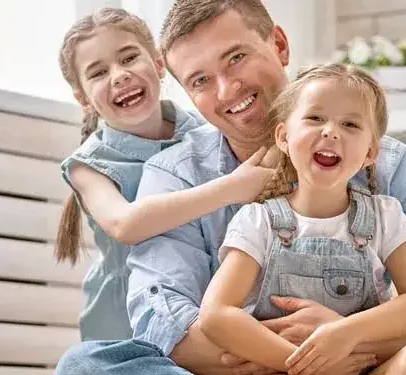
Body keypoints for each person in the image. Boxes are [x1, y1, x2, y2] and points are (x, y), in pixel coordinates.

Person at [55, 1, 406, 374]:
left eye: (236, 58)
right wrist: (306, 360)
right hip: (245, 367)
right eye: (201, 81)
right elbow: (170, 328)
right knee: (91, 366)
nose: (227, 91)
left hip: (374, 362)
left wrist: (343, 341)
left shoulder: (391, 164)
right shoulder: (175, 174)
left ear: (278, 45)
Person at [199, 63, 406, 375]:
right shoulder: (259, 220)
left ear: (370, 152)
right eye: (315, 118)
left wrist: (345, 333)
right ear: (284, 137)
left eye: (351, 125)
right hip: (286, 368)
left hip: (355, 366)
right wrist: (308, 364)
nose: (330, 131)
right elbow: (215, 315)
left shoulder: (385, 216)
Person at [54, 6, 275, 343]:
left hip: (200, 298)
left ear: (159, 65)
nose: (119, 76)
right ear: (83, 98)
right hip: (126, 322)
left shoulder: (202, 126)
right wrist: (232, 188)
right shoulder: (89, 165)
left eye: (128, 58)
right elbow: (125, 224)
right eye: (98, 73)